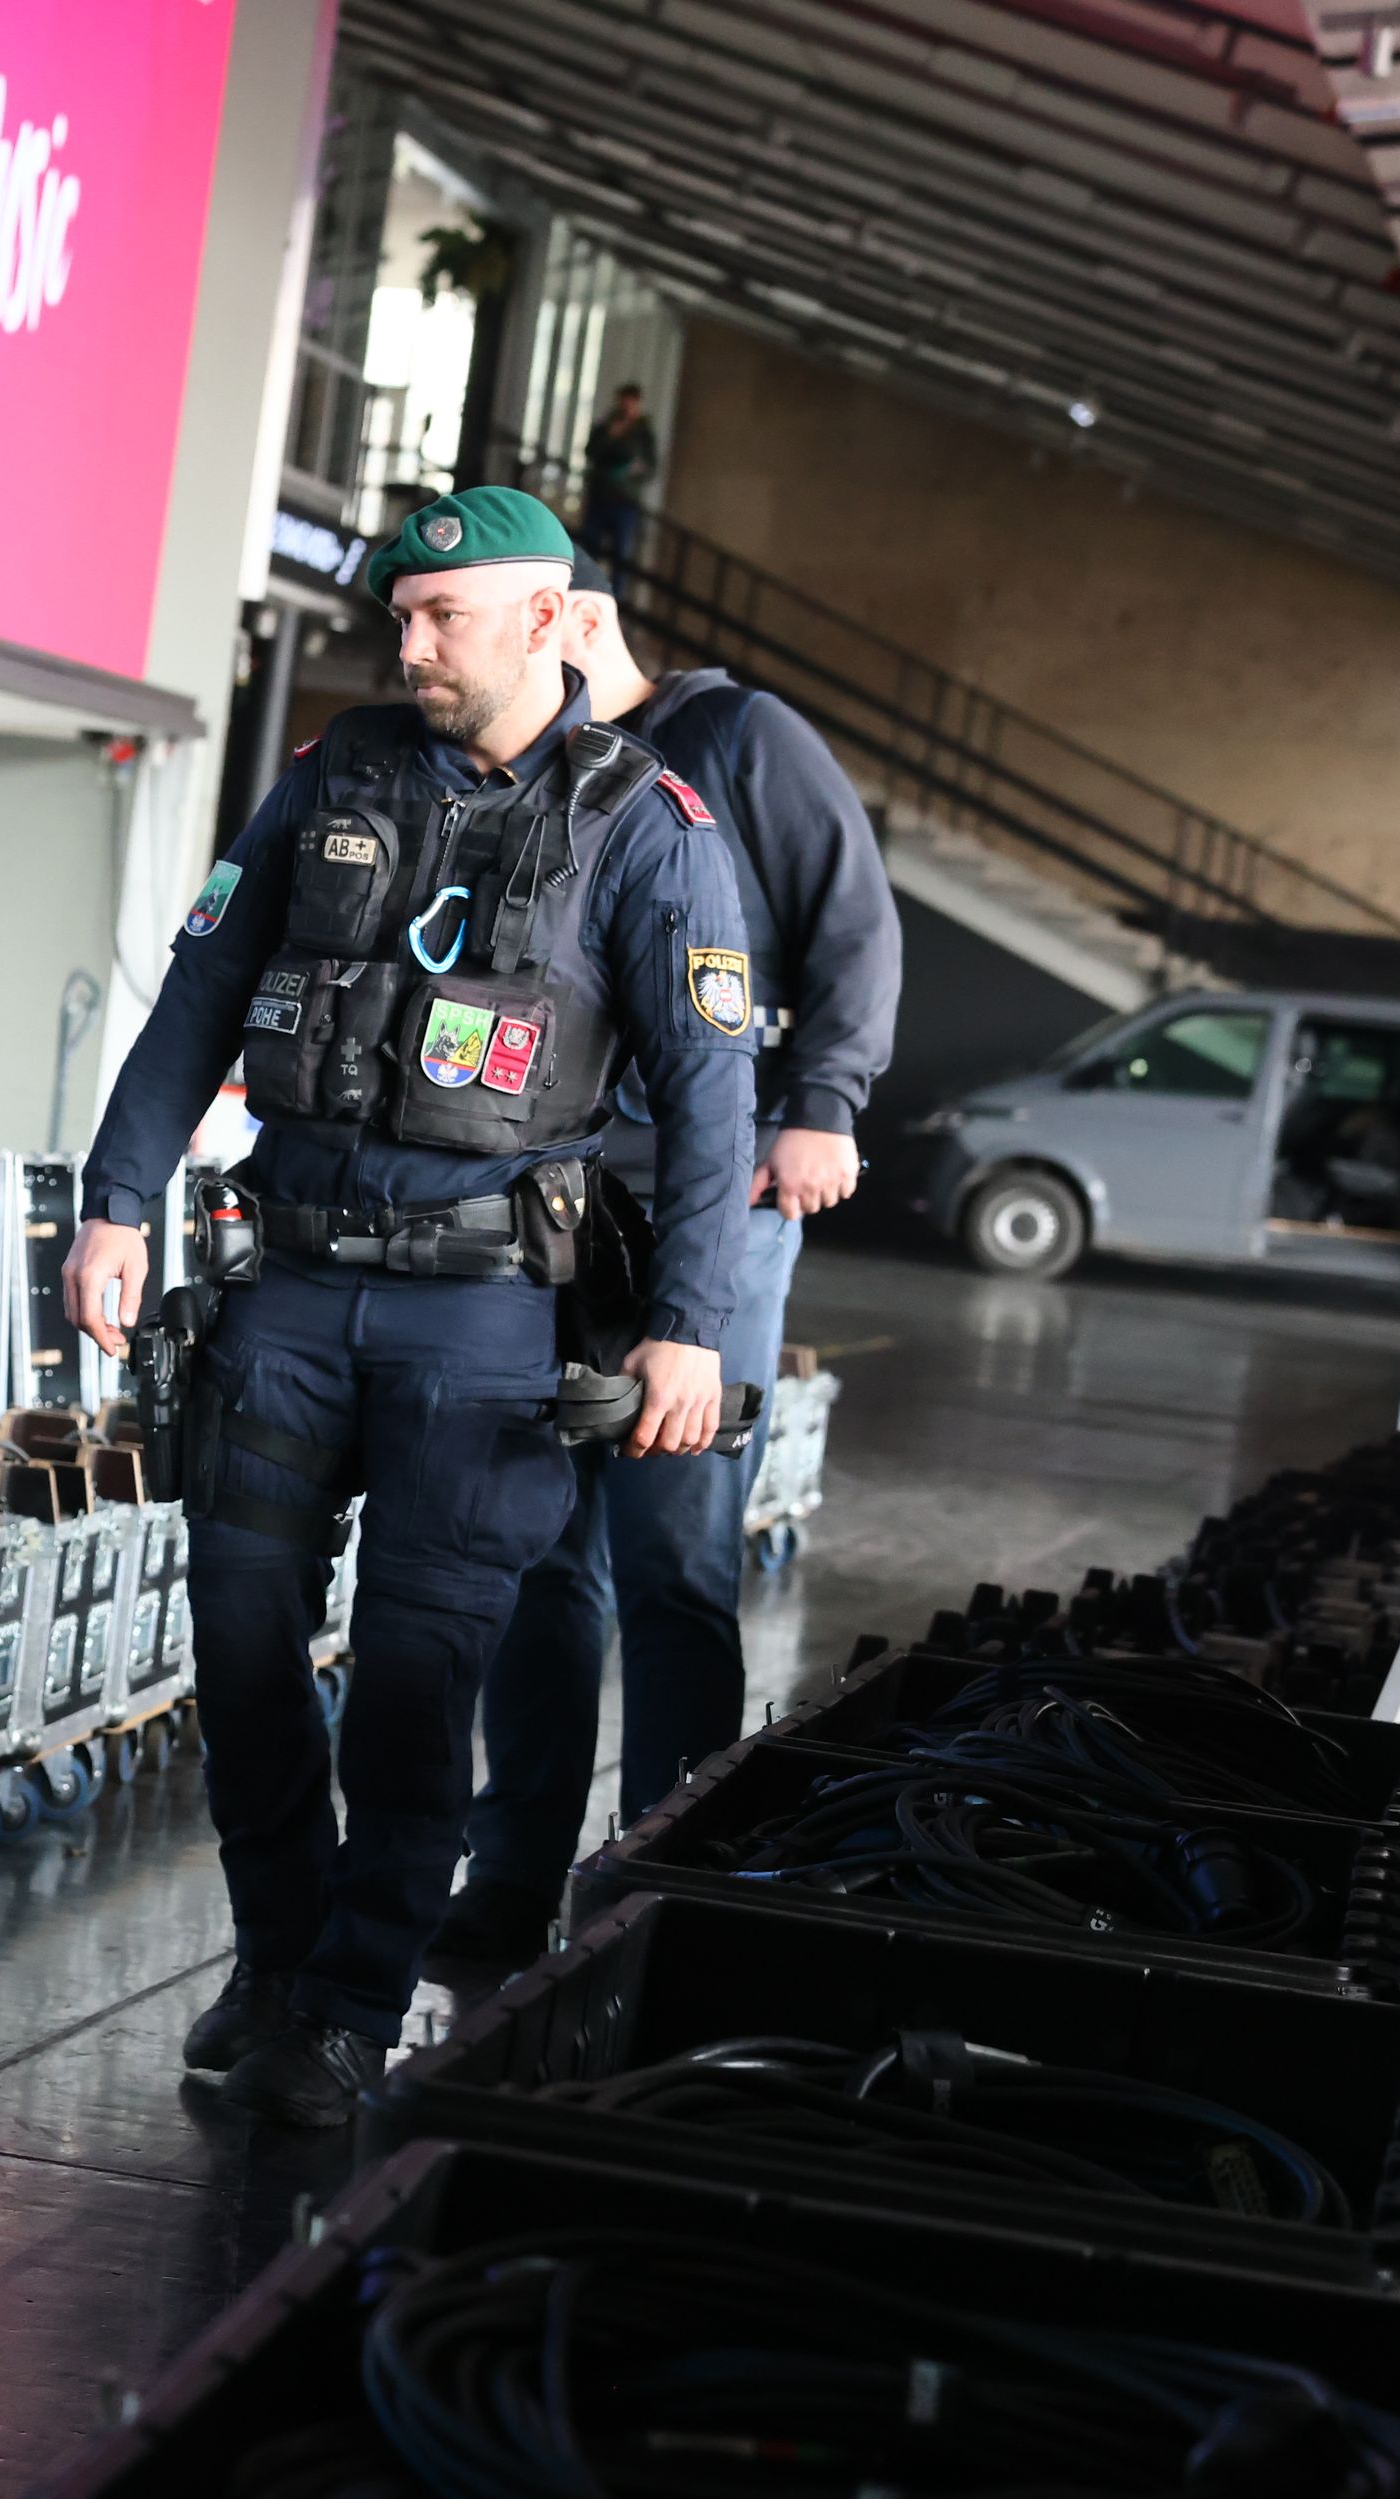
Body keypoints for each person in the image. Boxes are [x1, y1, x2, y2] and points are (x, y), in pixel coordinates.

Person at [64, 485, 757, 2129]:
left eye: (443, 617)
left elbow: (716, 1104)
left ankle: (357, 1997)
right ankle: (277, 1954)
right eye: (401, 617)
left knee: (414, 1675)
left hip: (488, 1322)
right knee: (237, 1645)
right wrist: (112, 1202)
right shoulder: (334, 777)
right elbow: (203, 992)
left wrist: (692, 1321)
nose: (410, 643)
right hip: (289, 1294)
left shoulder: (650, 823)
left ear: (545, 620)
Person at [433, 566, 902, 1984]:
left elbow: (856, 923)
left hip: (722, 1198)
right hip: (549, 1203)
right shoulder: (539, 772)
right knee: (535, 1553)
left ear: (572, 620)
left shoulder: (744, 738)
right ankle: (510, 1874)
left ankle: (660, 1879)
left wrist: (825, 1096)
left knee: (673, 1549)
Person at [579, 385, 658, 572]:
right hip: (600, 495)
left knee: (620, 555)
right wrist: (610, 435)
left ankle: (615, 595)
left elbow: (651, 468)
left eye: (631, 401)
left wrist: (635, 470)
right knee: (589, 548)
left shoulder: (644, 434)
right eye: (623, 400)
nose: (626, 405)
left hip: (625, 500)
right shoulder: (606, 427)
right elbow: (590, 452)